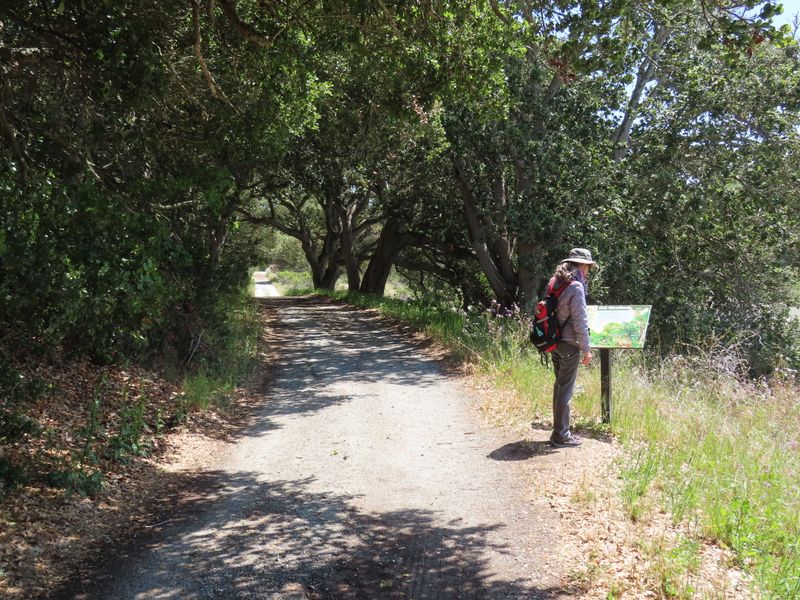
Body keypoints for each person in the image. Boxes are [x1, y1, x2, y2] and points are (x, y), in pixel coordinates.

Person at [548, 248, 597, 448]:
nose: (588, 271)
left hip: (553, 342)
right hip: (569, 345)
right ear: (581, 265)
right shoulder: (576, 287)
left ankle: (559, 431)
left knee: (559, 387)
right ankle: (561, 435)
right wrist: (586, 349)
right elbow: (579, 321)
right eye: (587, 267)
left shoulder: (554, 282)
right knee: (565, 390)